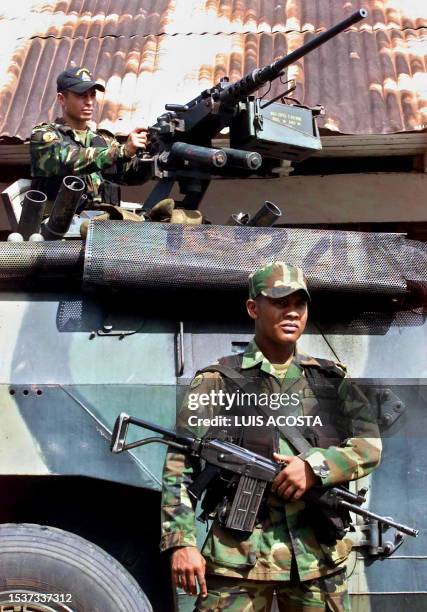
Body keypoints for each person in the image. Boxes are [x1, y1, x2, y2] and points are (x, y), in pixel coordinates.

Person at [160, 261, 382, 611]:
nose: (292, 312)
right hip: (237, 559)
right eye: (280, 302)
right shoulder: (217, 381)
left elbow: (369, 446)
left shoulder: (330, 380)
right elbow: (179, 467)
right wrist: (181, 542)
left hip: (316, 559)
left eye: (299, 303)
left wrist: (316, 467)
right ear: (253, 307)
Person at [30, 66, 150, 208]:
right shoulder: (44, 136)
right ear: (62, 99)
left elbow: (130, 174)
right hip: (59, 226)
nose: (89, 102)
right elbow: (71, 159)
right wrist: (122, 151)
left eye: (92, 95)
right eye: (81, 95)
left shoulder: (102, 140)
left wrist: (153, 156)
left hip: (101, 224)